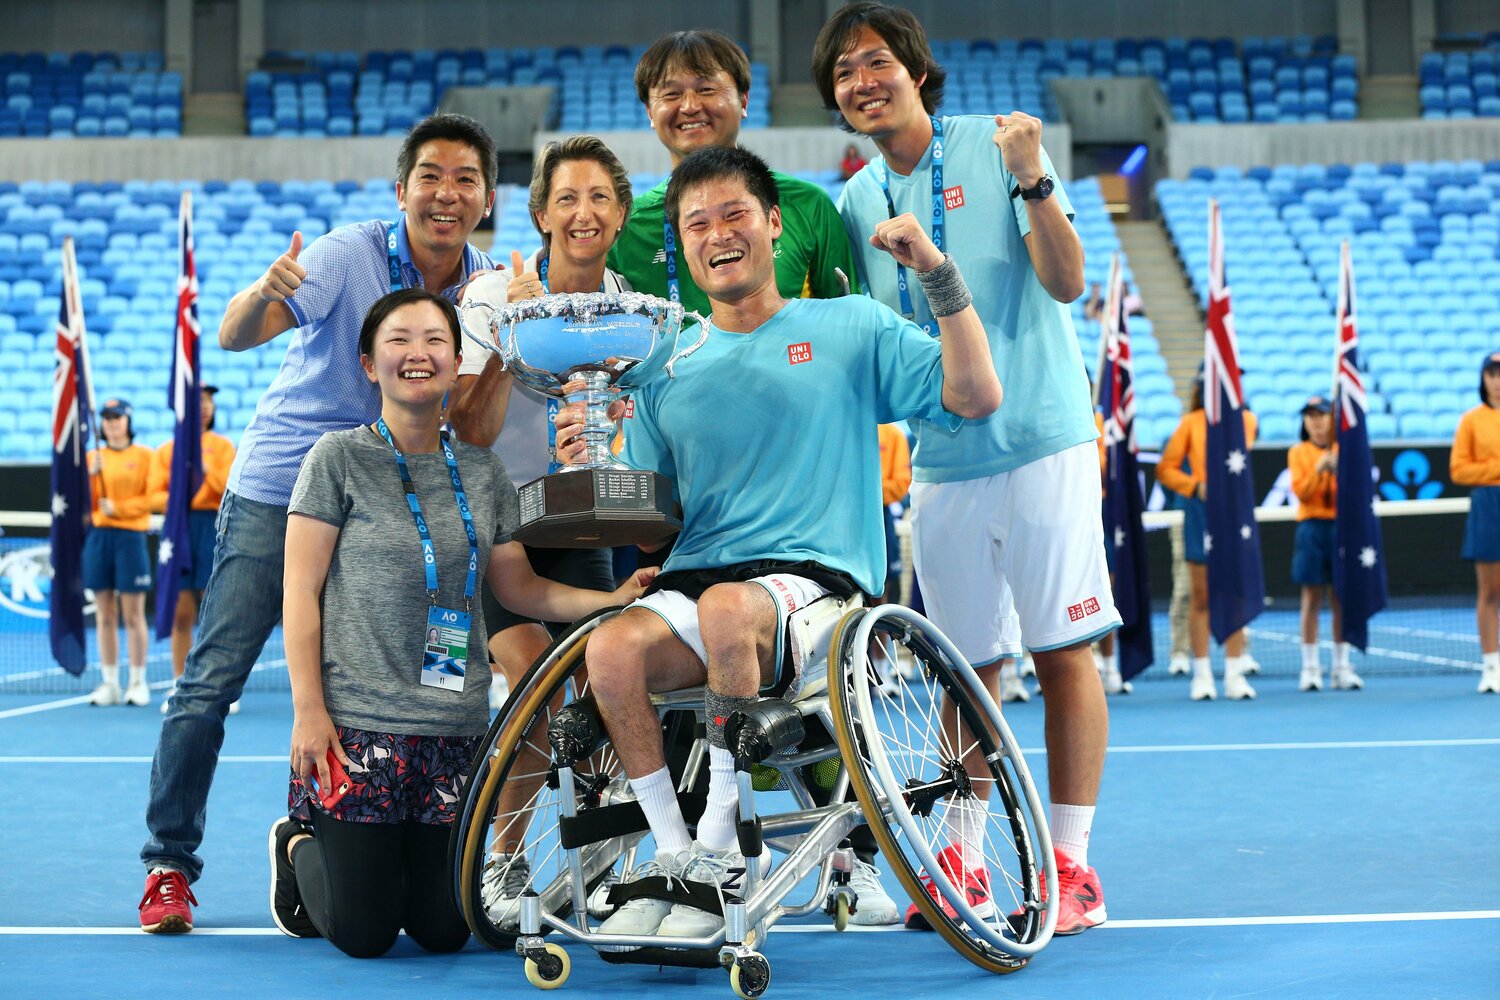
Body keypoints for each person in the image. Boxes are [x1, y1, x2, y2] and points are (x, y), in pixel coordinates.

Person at [555, 145, 998, 946]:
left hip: (816, 588)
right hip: (699, 583)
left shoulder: (849, 324)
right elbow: (652, 514)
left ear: (773, 224)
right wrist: (589, 468)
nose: (718, 235)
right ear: (681, 248)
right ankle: (672, 851)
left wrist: (938, 273)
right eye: (698, 224)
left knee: (728, 609)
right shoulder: (666, 361)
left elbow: (974, 393)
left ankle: (721, 847)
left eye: (734, 216)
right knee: (612, 651)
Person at [137, 113, 498, 934]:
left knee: (383, 685)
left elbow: (473, 419)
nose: (449, 193)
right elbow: (233, 337)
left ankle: (324, 835)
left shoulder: (486, 286)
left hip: (395, 500)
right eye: (432, 176)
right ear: (400, 189)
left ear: (485, 197)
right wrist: (259, 295)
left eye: (467, 179)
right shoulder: (344, 255)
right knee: (214, 677)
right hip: (284, 488)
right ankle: (168, 864)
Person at [814, 1, 1116, 935]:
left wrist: (1033, 179)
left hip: (1045, 441)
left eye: (877, 63)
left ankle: (1071, 864)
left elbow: (1069, 282)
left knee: (1065, 653)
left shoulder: (998, 145)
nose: (864, 82)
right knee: (964, 669)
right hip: (944, 461)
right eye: (845, 73)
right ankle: (969, 855)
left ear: (915, 68)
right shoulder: (855, 203)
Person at [267, 288, 653, 959]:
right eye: (398, 340)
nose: (417, 353)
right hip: (357, 726)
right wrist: (309, 710)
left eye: (434, 341)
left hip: (451, 728)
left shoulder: (482, 471)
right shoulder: (336, 460)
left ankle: (381, 856)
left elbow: (518, 586)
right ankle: (298, 840)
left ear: (454, 362)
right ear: (368, 363)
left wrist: (611, 600)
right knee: (366, 933)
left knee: (447, 930)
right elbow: (299, 591)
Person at [448, 135, 635, 927]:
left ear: (620, 214)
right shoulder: (492, 294)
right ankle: (506, 860)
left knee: (598, 689)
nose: (582, 213)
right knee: (534, 687)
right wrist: (510, 335)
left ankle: (597, 858)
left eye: (598, 198)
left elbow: (631, 439)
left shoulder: (631, 307)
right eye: (566, 198)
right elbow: (469, 428)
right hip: (495, 524)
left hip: (579, 516)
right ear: (540, 214)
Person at [607, 29, 859, 315]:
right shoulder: (626, 227)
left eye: (707, 90)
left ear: (744, 100)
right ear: (651, 113)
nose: (690, 106)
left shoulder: (808, 204)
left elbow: (847, 323)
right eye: (671, 94)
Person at [1156, 376, 1258, 700]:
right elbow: (1166, 468)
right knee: (1200, 596)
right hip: (1200, 513)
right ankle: (1201, 674)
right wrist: (1195, 487)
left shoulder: (1246, 420)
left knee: (1235, 595)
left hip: (1234, 513)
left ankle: (1234, 672)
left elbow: (1239, 448)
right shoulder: (1190, 423)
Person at [147, 385, 237, 714]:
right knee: (181, 613)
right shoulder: (167, 450)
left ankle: (223, 687)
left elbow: (229, 486)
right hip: (177, 529)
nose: (203, 407)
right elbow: (152, 497)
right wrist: (178, 492)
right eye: (197, 402)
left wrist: (202, 468)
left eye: (208, 401)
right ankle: (180, 682)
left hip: (211, 527)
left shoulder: (223, 447)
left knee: (215, 611)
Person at [1287, 394, 1362, 692]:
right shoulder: (1298, 453)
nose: (1316, 422)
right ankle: (1310, 667)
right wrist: (1320, 470)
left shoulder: (1346, 451)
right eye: (1311, 416)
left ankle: (1341, 666)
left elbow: (1355, 493)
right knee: (1311, 597)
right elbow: (1302, 492)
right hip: (1311, 527)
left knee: (1340, 598)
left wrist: (1339, 469)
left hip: (1340, 527)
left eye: (1321, 415)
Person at [84, 398, 154, 707]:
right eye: (107, 418)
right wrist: (90, 476)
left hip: (131, 537)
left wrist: (121, 508)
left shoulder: (144, 456)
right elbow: (87, 505)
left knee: (133, 614)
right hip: (100, 538)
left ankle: (138, 681)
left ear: (128, 420)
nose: (111, 423)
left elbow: (152, 498)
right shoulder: (93, 457)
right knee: (104, 613)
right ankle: (110, 682)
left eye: (117, 417)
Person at [1451, 350, 1500, 694]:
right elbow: (1459, 470)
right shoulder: (1471, 420)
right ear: (1483, 379)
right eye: (1492, 374)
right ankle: (1492, 666)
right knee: (1490, 591)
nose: (1497, 382)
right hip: (1487, 506)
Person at [878, 422, 911, 603]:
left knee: (886, 579)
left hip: (881, 517)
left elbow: (901, 482)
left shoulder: (893, 434)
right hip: (845, 517)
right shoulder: (845, 428)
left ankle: (881, 630)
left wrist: (866, 493)